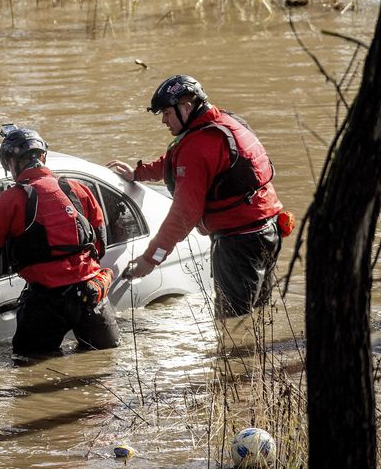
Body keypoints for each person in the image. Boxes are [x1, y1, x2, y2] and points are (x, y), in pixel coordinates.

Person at [107, 74, 284, 317]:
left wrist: (150, 259)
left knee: (231, 321)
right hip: (269, 231)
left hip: (237, 242)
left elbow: (184, 214)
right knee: (260, 317)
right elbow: (177, 161)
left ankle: (236, 356)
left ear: (186, 107)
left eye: (167, 114)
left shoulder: (198, 145)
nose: (164, 122)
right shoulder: (226, 122)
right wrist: (138, 173)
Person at [0, 124, 118, 357]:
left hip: (45, 301)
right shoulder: (77, 188)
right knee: (105, 363)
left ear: (11, 163)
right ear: (43, 157)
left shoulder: (12, 199)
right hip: (90, 294)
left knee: (29, 369)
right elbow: (100, 244)